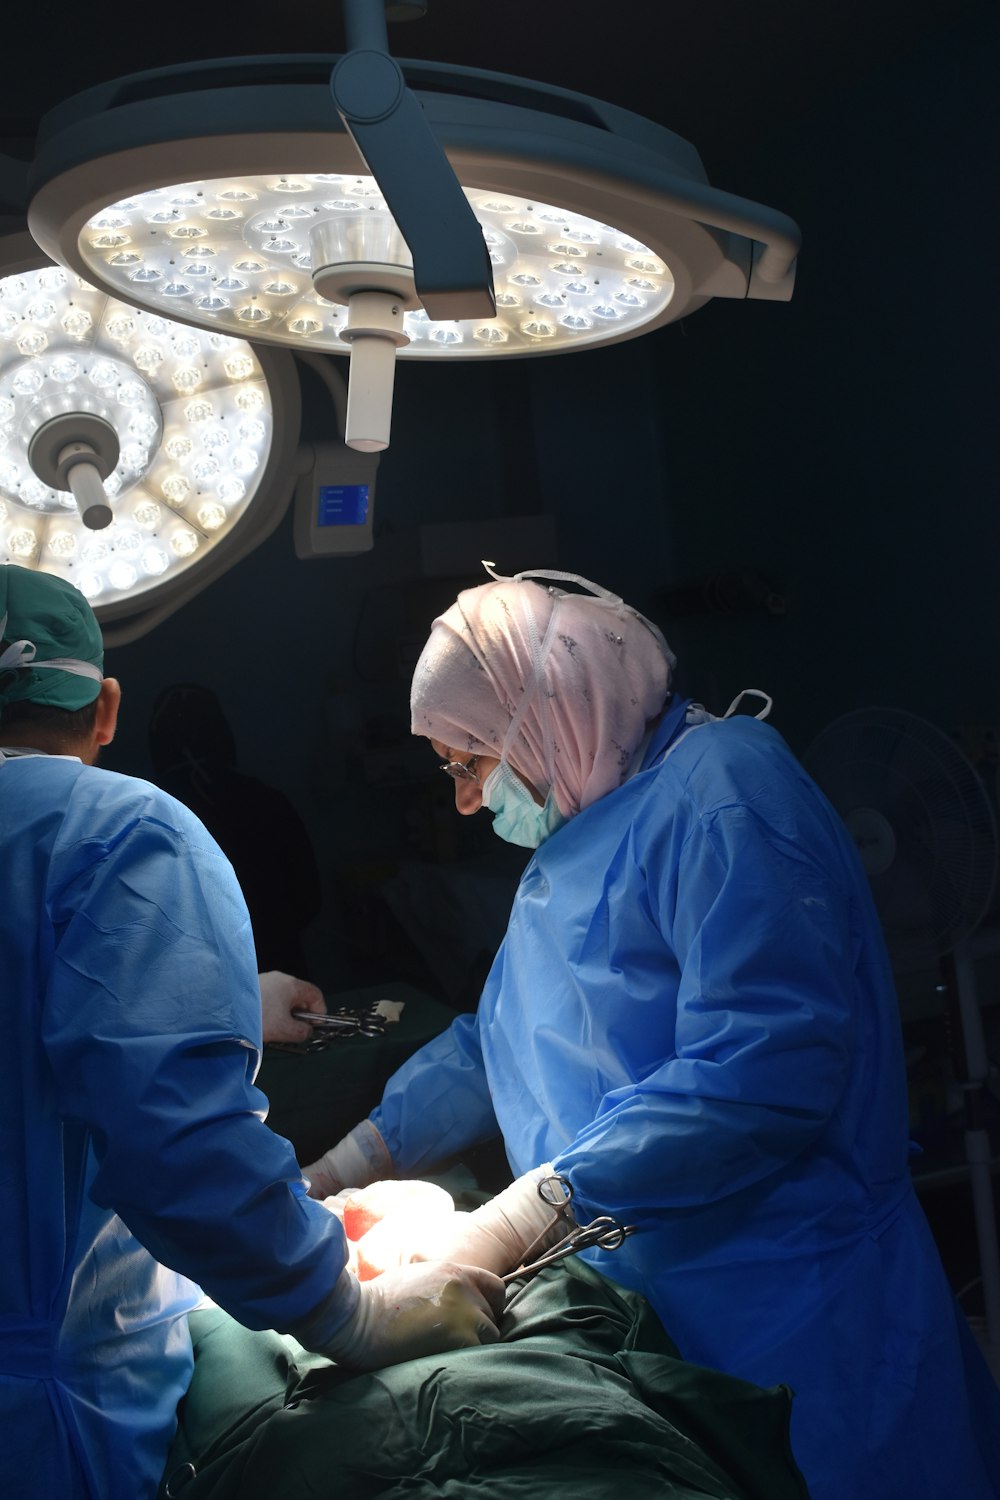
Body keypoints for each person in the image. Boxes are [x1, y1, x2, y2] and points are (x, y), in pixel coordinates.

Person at [303, 564, 1000, 1500]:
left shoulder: (729, 795)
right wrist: (348, 1162)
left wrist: (525, 1212)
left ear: (545, 708)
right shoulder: (596, 819)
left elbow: (759, 1074)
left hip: (793, 1305)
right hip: (659, 1286)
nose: (466, 800)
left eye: (467, 761)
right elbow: (502, 1033)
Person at [0, 564, 504, 1500]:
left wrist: (223, 999)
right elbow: (175, 1146)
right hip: (41, 1422)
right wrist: (343, 1308)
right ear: (107, 710)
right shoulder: (118, 833)